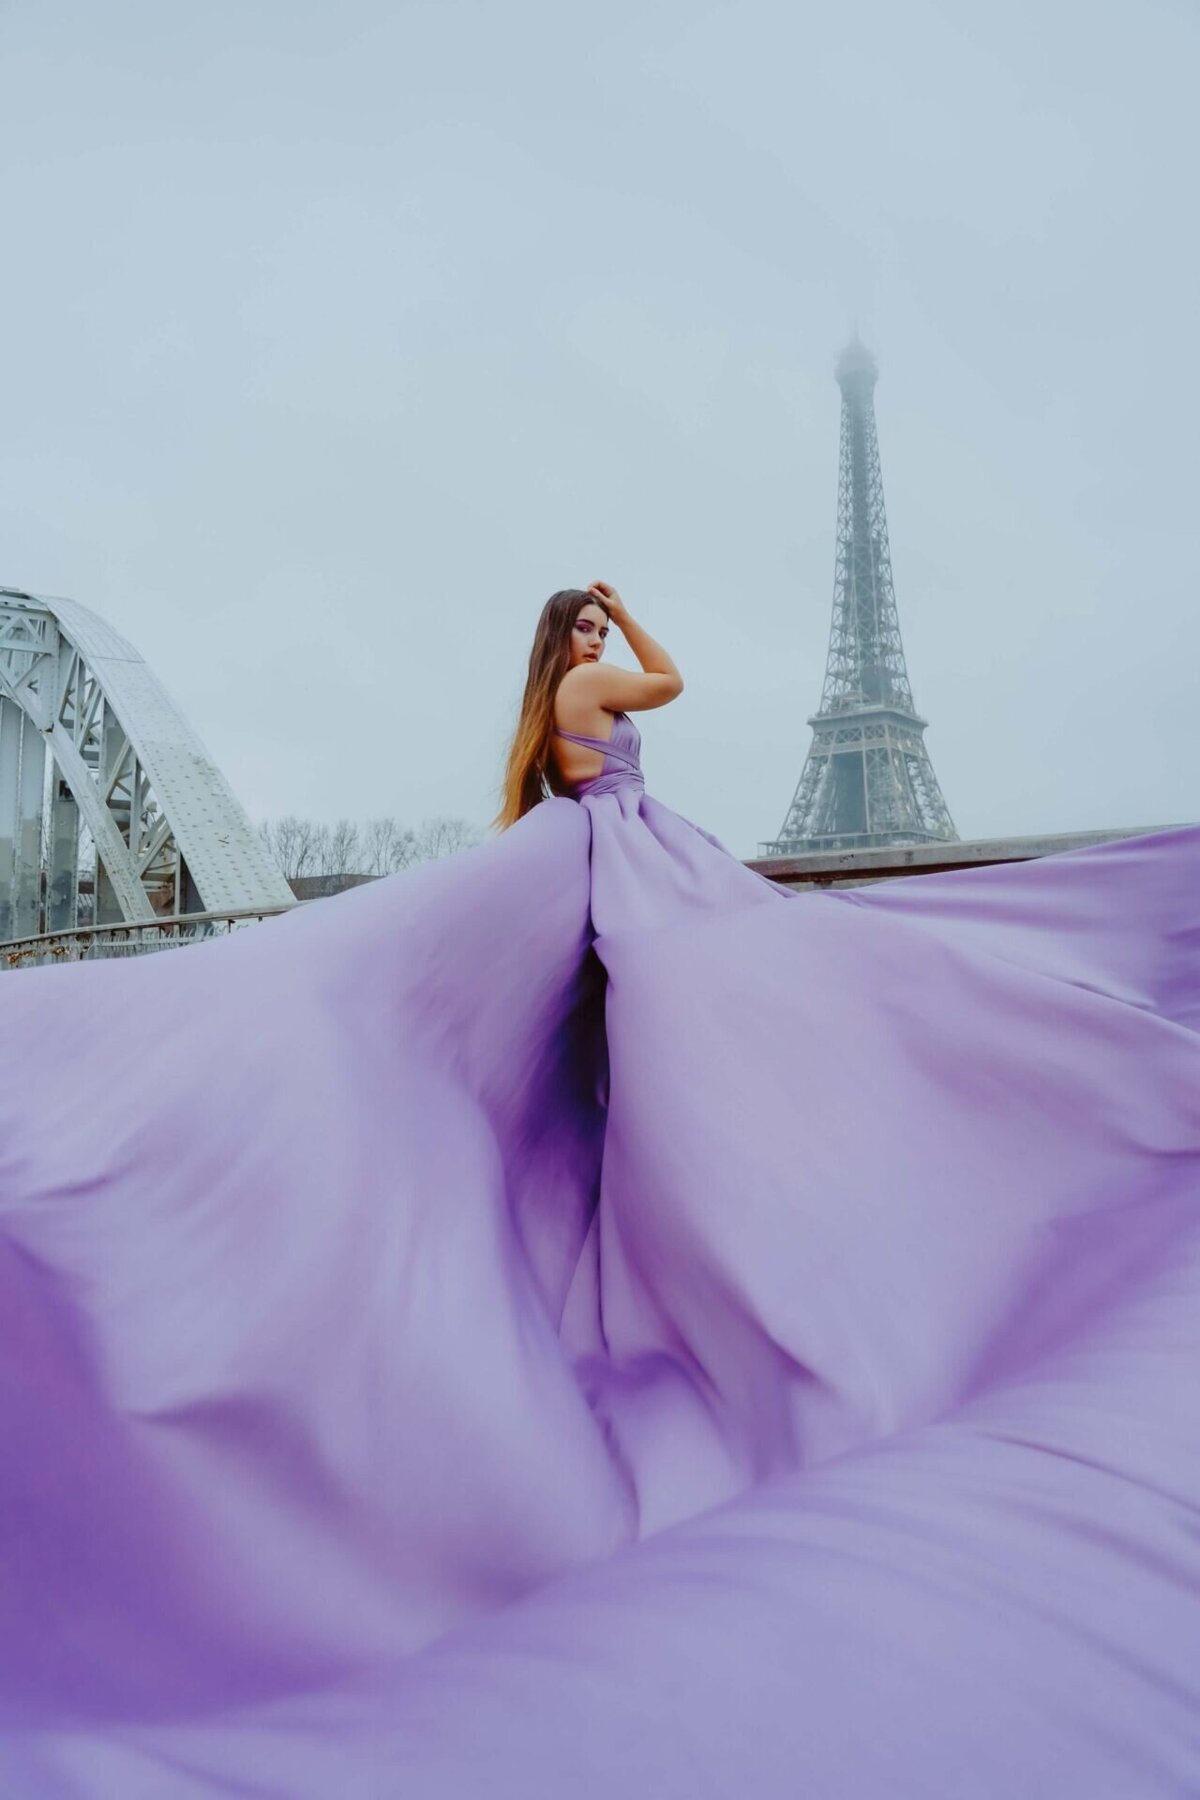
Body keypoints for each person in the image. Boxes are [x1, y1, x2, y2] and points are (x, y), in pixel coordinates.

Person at [0, 586, 1197, 1797]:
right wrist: (629, 617)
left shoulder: (557, 711)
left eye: (593, 631)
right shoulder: (593, 686)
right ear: (565, 648)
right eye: (579, 630)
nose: (593, 648)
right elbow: (671, 685)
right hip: (640, 864)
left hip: (623, 857)